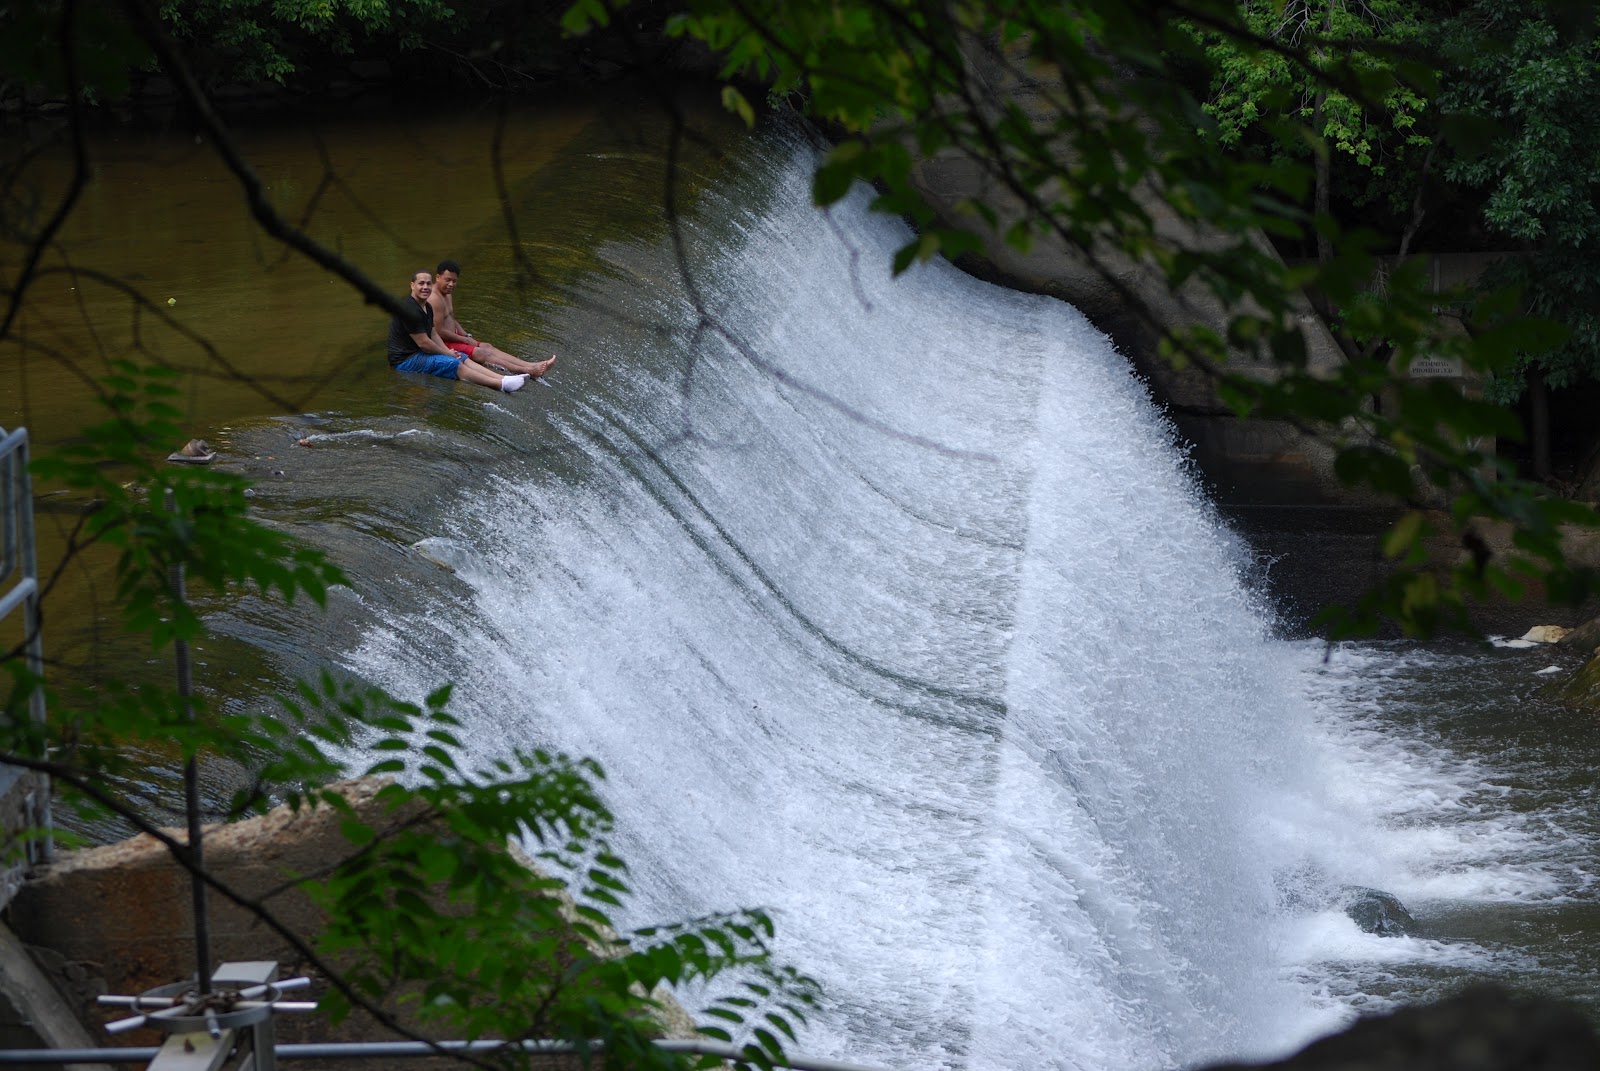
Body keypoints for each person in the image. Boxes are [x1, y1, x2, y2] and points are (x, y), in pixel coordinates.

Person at [387, 271, 527, 393]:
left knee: (461, 356)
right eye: (421, 283)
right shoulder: (409, 310)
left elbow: (434, 334)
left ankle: (503, 378)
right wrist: (446, 353)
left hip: (418, 353)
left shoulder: (426, 307)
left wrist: (448, 351)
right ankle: (499, 385)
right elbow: (424, 343)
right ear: (412, 285)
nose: (425, 287)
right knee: (453, 363)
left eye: (428, 284)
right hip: (405, 360)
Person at [429, 259, 556, 379]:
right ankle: (528, 371)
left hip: (455, 338)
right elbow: (439, 331)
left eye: (454, 281)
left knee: (487, 346)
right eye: (448, 280)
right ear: (438, 277)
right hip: (445, 344)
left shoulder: (446, 294)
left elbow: (451, 319)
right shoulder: (434, 299)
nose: (451, 284)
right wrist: (464, 340)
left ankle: (529, 364)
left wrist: (467, 336)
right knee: (482, 353)